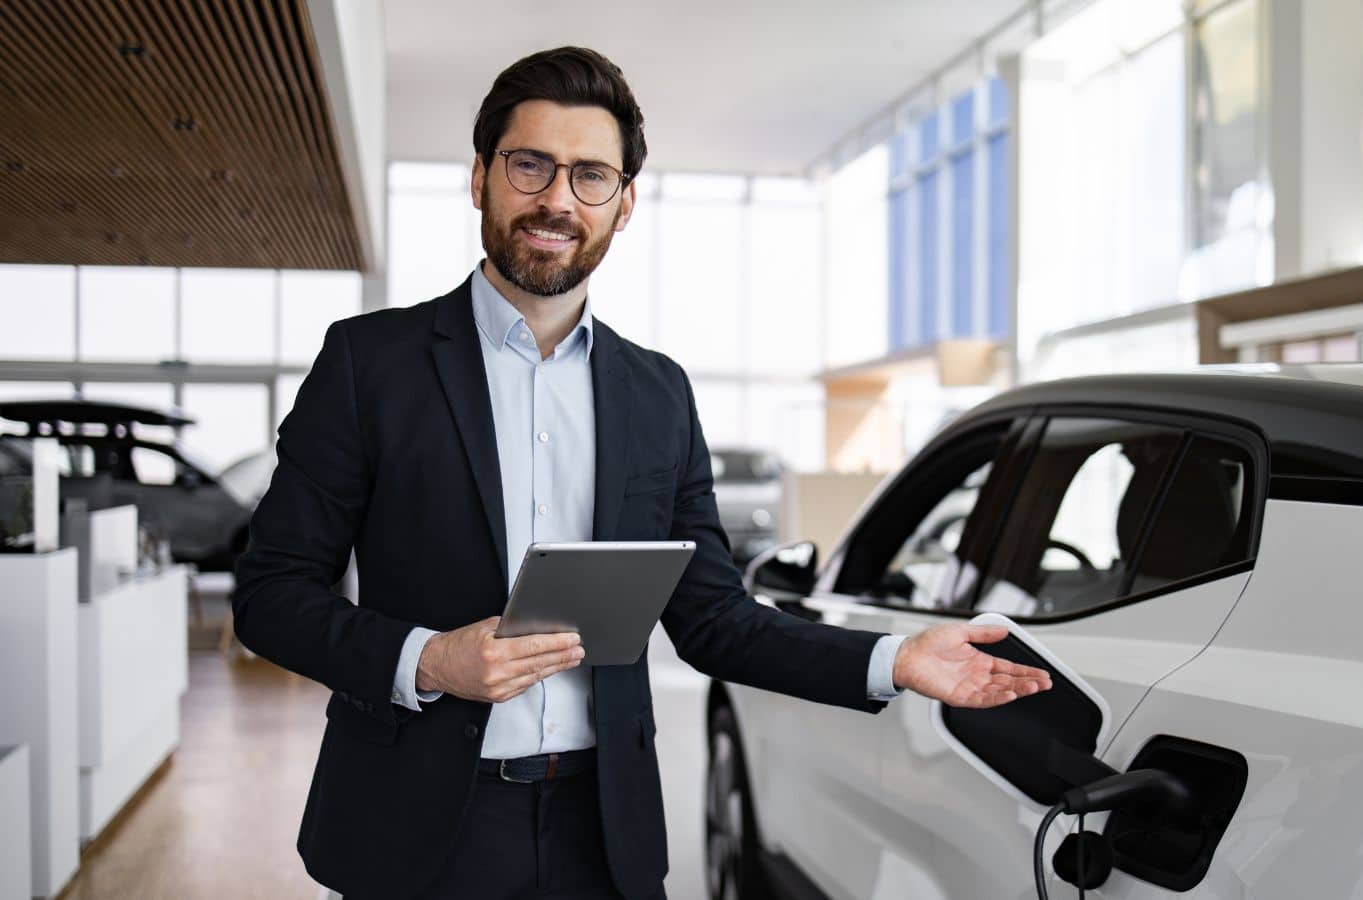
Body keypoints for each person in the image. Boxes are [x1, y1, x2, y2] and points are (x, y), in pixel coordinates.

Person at [232, 45, 1051, 900]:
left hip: (606, 833)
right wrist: (429, 659)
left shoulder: (657, 392)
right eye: (530, 166)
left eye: (591, 175)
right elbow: (272, 593)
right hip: (413, 827)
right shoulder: (372, 363)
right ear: (479, 178)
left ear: (623, 206)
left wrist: (897, 658)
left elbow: (713, 620)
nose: (557, 198)